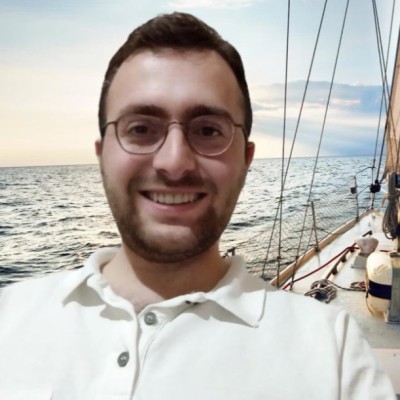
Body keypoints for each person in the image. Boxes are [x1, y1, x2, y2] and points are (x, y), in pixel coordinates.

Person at [0, 12, 396, 400]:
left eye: (208, 130)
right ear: (103, 155)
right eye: (141, 129)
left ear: (246, 159)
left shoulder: (333, 354)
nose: (174, 162)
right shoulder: (9, 318)